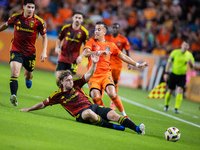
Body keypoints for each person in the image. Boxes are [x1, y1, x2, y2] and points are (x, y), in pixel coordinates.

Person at [20, 53, 145, 135]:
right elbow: (43, 104)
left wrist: (95, 63)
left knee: (113, 114)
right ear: (61, 82)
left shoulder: (77, 83)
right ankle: (112, 127)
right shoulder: (57, 95)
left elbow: (88, 75)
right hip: (81, 114)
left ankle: (137, 129)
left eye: (71, 79)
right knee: (90, 114)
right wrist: (28, 109)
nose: (71, 82)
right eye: (68, 80)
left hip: (93, 107)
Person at [83, 22, 149, 120]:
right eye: (95, 29)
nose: (96, 31)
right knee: (96, 97)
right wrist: (99, 52)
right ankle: (105, 114)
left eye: (99, 29)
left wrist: (137, 65)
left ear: (104, 32)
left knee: (112, 94)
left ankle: (124, 115)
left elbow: (123, 56)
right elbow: (85, 53)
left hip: (106, 75)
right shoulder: (91, 41)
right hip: (93, 76)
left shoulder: (111, 45)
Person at [0, 0, 48, 106]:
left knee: (28, 76)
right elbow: (6, 25)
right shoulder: (16, 17)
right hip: (16, 50)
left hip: (30, 53)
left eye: (32, 8)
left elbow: (44, 36)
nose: (30, 9)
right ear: (24, 7)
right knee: (15, 72)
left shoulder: (38, 21)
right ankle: (14, 96)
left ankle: (28, 79)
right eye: (29, 7)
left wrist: (44, 51)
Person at [55, 12, 89, 86]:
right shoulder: (66, 28)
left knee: (68, 81)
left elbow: (87, 47)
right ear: (73, 18)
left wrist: (80, 56)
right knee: (58, 80)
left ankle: (63, 95)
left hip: (74, 59)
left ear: (82, 20)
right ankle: (62, 93)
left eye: (79, 18)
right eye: (76, 17)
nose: (77, 19)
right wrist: (57, 47)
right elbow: (59, 39)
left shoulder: (84, 32)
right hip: (63, 57)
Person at [105, 23, 131, 110]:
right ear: (111, 28)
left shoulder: (123, 39)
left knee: (115, 83)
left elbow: (127, 51)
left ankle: (113, 101)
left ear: (119, 29)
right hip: (106, 63)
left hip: (117, 64)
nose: (115, 29)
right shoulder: (106, 37)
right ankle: (98, 99)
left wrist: (129, 62)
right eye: (113, 27)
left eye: (117, 28)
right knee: (103, 80)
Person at [163, 40, 195, 113]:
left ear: (188, 47)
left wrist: (191, 64)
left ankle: (176, 108)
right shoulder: (175, 52)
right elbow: (169, 63)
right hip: (174, 74)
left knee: (180, 90)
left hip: (182, 75)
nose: (185, 46)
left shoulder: (189, 55)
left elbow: (192, 67)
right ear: (181, 45)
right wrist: (166, 73)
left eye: (186, 45)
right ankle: (166, 105)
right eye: (184, 44)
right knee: (170, 91)